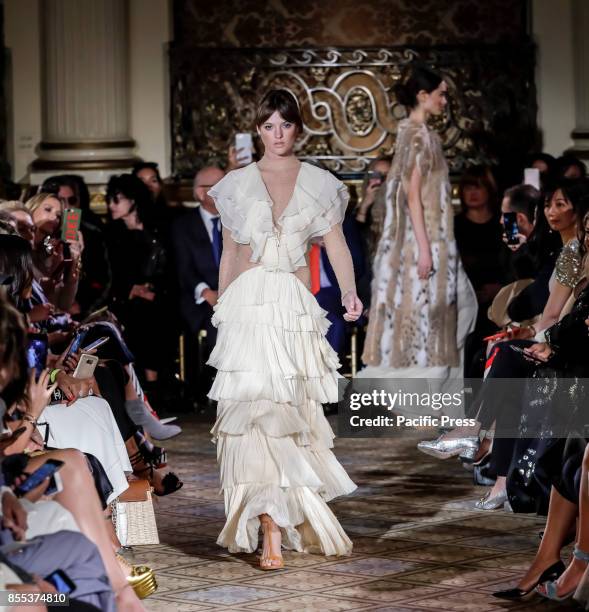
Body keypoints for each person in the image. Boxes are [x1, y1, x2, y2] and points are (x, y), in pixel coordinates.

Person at [206, 89, 362, 569]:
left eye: (285, 125)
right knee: (252, 416)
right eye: (269, 126)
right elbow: (230, 253)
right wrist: (222, 311)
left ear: (298, 129)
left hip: (292, 311)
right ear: (258, 131)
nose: (277, 134)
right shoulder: (236, 184)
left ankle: (280, 517)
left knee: (289, 417)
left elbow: (336, 246)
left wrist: (351, 293)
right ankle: (268, 525)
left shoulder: (319, 183)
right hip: (248, 308)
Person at [360, 64, 476, 380]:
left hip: (427, 238)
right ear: (423, 95)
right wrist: (425, 250)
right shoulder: (419, 136)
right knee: (446, 317)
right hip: (425, 241)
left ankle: (438, 407)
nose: (444, 101)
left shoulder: (412, 132)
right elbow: (413, 196)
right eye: (440, 94)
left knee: (453, 314)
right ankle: (426, 402)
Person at [172, 166, 224, 405]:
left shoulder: (238, 221)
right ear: (200, 193)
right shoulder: (182, 226)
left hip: (234, 294)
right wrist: (205, 291)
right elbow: (183, 269)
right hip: (199, 298)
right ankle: (212, 382)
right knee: (217, 321)